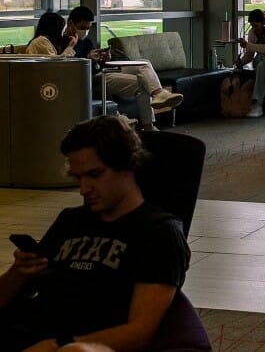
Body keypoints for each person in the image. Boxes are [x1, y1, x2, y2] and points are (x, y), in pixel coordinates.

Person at [0, 115, 191, 351]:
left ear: (127, 166)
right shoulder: (71, 220)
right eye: (78, 177)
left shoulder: (159, 233)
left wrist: (58, 345)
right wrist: (18, 273)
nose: (83, 189)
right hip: (27, 333)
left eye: (94, 175)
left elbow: (139, 332)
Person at [66, 6, 183, 132]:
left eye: (88, 28)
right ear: (71, 23)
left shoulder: (86, 41)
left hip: (104, 69)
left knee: (144, 63)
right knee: (141, 84)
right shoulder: (65, 43)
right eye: (83, 28)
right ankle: (147, 125)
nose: (85, 31)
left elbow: (97, 60)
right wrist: (87, 57)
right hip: (95, 77)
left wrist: (104, 57)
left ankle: (158, 95)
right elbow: (71, 65)